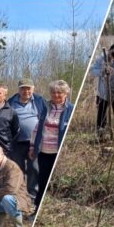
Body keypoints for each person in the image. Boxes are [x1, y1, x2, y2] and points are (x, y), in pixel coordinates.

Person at [30, 80, 73, 210]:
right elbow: (37, 128)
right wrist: (32, 146)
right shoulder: (45, 107)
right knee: (42, 181)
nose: (56, 95)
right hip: (43, 152)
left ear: (66, 94)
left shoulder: (70, 109)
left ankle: (55, 208)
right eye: (53, 92)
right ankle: (37, 208)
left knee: (56, 182)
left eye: (59, 92)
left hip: (58, 152)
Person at [8, 79, 45, 201]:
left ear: (33, 89)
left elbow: (45, 119)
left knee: (34, 169)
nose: (26, 91)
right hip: (16, 143)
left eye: (28, 88)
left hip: (34, 142)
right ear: (18, 90)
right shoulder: (10, 102)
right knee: (17, 170)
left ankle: (32, 196)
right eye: (23, 88)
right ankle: (19, 196)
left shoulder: (40, 101)